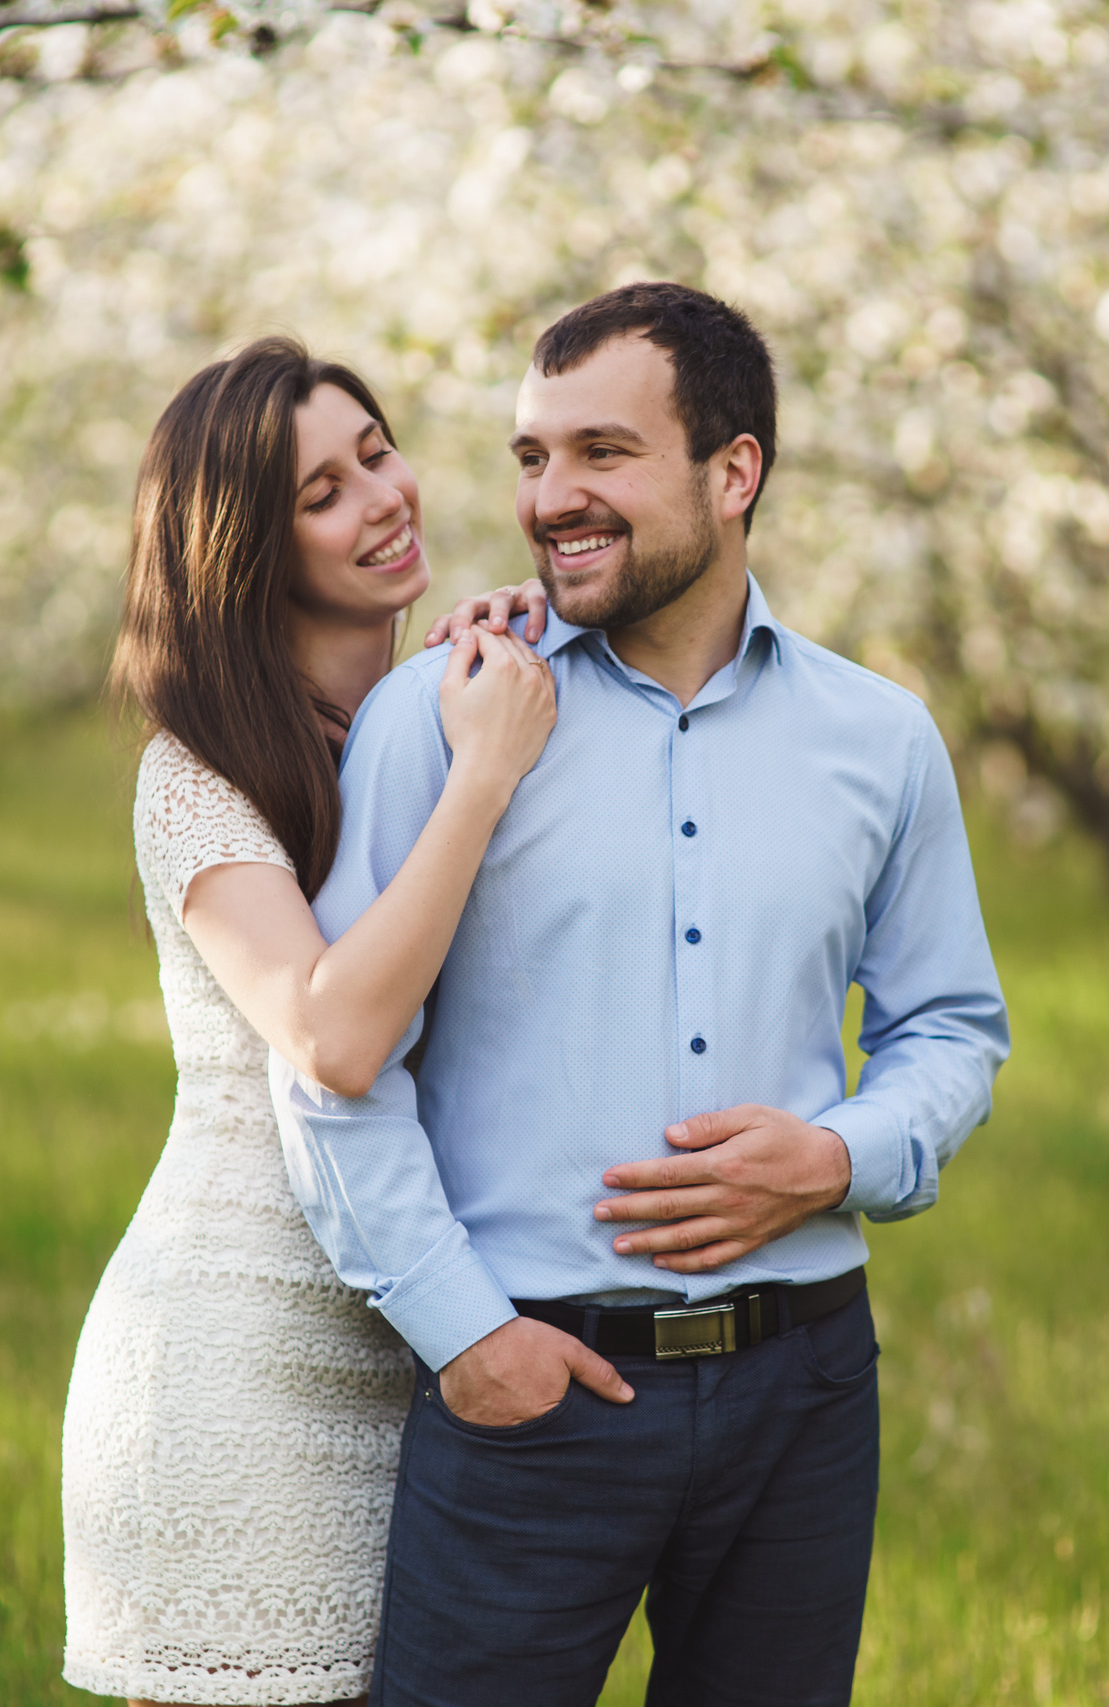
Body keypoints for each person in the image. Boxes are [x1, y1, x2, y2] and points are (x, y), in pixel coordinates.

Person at [273, 282, 1012, 1706]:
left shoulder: (882, 739)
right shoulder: (444, 715)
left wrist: (841, 1155)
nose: (552, 498)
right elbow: (335, 1068)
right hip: (531, 1385)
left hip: (804, 1387)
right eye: (532, 457)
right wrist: (466, 1337)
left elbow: (950, 1027)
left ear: (733, 473)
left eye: (602, 453)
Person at [59, 336, 560, 1707]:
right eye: (322, 493)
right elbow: (333, 1038)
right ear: (245, 551)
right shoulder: (197, 778)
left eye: (377, 453)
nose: (383, 498)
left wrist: (521, 664)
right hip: (234, 1368)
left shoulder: (423, 720)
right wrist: (483, 778)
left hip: (416, 1339)